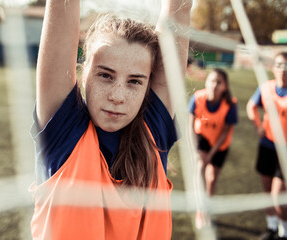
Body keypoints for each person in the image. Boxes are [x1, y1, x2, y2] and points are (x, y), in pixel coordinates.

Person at [28, 0, 192, 239]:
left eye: (134, 81)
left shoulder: (153, 132)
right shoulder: (63, 131)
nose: (117, 96)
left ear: (148, 85)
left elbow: (180, 8)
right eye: (105, 75)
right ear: (84, 73)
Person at [188, 68, 238, 228]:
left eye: (219, 82)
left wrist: (212, 153)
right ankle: (200, 210)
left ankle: (207, 207)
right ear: (206, 81)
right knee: (201, 166)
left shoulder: (230, 104)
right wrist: (194, 150)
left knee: (212, 179)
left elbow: (225, 132)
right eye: (211, 80)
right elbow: (189, 124)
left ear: (225, 86)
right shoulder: (197, 98)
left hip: (219, 144)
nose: (214, 85)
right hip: (202, 137)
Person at [246, 52, 287, 240]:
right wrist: (258, 126)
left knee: (278, 196)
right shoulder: (267, 88)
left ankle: (283, 231)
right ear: (273, 68)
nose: (283, 70)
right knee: (266, 191)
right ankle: (272, 228)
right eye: (279, 65)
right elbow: (251, 106)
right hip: (267, 146)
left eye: (286, 66)